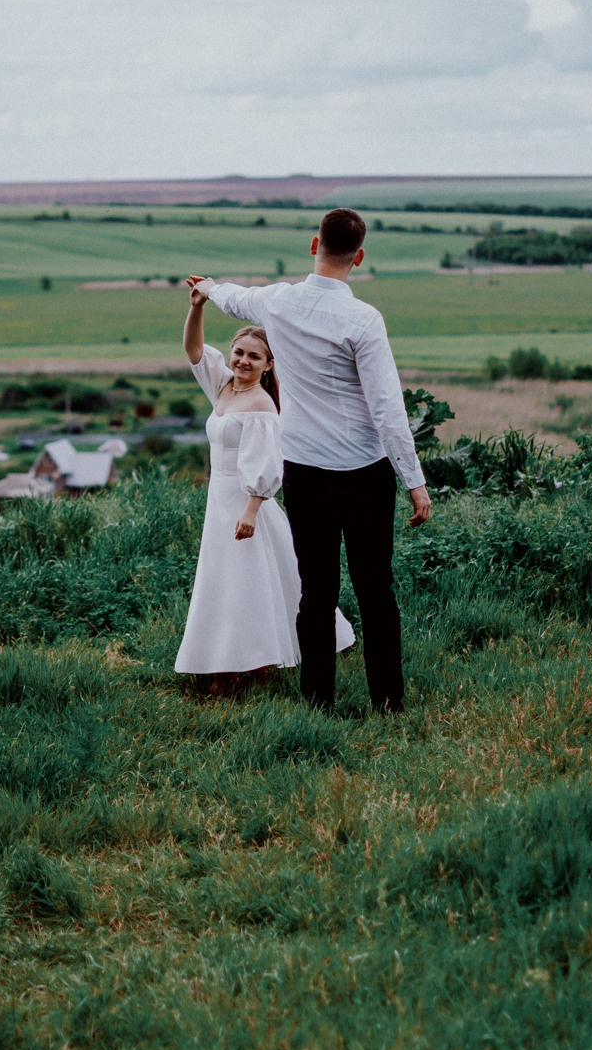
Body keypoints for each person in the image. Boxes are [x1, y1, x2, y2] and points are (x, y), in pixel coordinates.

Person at [187, 207, 430, 713]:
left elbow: (235, 297)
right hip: (364, 471)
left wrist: (208, 286)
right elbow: (387, 407)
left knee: (315, 592)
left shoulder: (278, 302)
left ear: (313, 246)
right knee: (375, 590)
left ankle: (318, 703)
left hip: (305, 472)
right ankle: (388, 701)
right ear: (358, 257)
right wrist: (414, 480)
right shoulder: (364, 320)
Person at [176, 289, 354, 690]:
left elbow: (266, 466)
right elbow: (194, 350)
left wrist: (251, 512)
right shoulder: (223, 387)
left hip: (245, 503)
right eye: (239, 352)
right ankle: (246, 662)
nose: (242, 360)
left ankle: (236, 669)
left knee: (243, 587)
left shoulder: (261, 406)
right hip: (218, 498)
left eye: (254, 356)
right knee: (232, 583)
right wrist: (197, 307)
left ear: (270, 365)